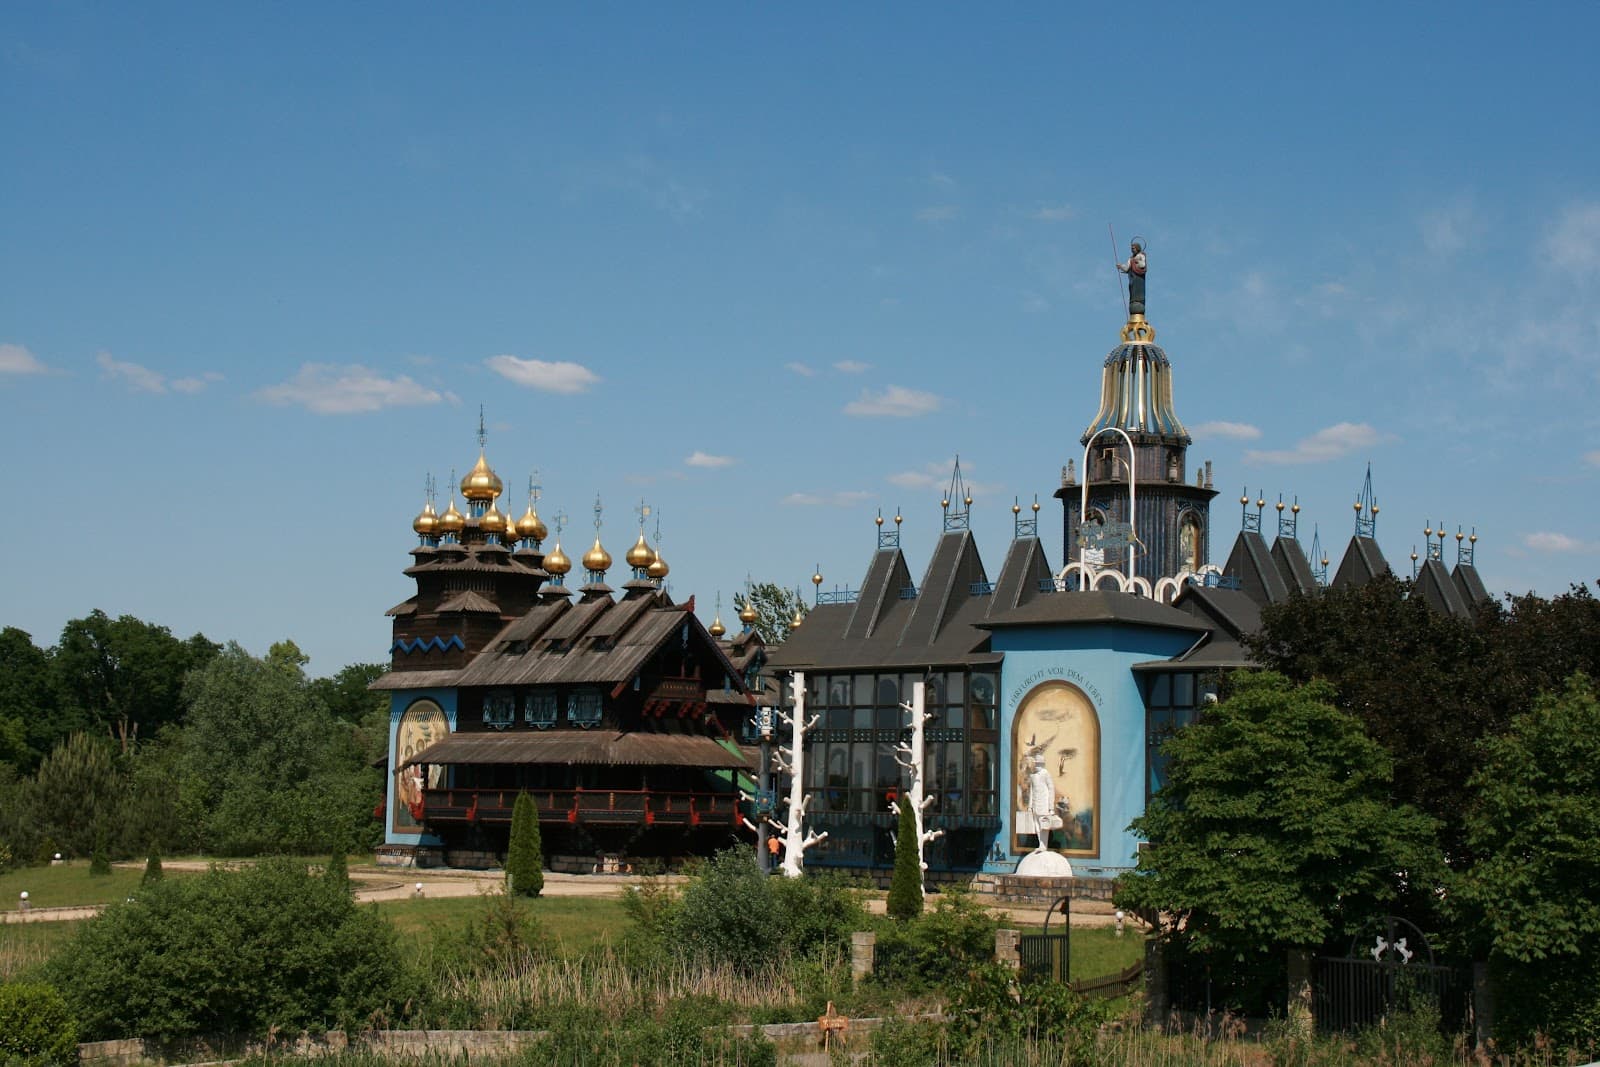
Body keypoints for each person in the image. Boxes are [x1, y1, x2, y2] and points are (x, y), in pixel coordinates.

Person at [1117, 240, 1147, 315]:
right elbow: (1127, 268)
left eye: (1133, 248)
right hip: (1132, 277)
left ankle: (1139, 301)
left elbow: (1142, 265)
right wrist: (1121, 266)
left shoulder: (1141, 255)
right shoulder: (1130, 259)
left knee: (1139, 290)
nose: (1132, 250)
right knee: (1132, 289)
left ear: (1137, 248)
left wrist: (1136, 261)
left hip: (1139, 278)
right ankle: (1133, 301)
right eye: (1131, 248)